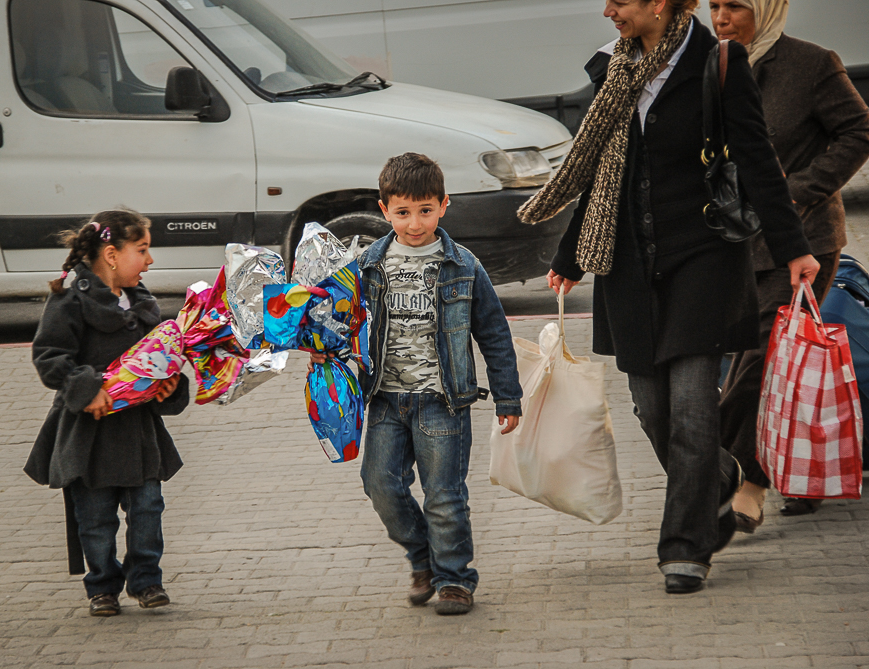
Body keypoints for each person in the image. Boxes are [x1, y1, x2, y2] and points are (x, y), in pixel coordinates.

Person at [518, 0, 820, 594]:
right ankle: (719, 477)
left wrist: (793, 248)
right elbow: (605, 172)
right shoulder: (612, 69)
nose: (608, 11)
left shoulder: (718, 63)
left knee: (690, 410)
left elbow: (757, 162)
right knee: (652, 409)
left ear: (658, 3)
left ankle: (685, 549)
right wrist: (571, 255)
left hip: (702, 258)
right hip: (629, 264)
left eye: (621, 1)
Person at [312, 153, 523, 615]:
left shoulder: (463, 265)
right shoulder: (367, 265)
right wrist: (317, 340)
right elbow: (342, 326)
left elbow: (492, 333)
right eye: (403, 212)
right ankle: (421, 555)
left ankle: (455, 580)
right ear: (384, 209)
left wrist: (508, 394)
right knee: (379, 484)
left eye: (425, 210)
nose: (414, 223)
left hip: (442, 401)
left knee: (445, 495)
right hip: (384, 399)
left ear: (443, 205)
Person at [711, 0, 869, 527]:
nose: (721, 17)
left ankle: (745, 480)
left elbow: (858, 132)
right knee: (766, 366)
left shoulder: (811, 63)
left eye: (735, 6)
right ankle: (798, 475)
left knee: (763, 362)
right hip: (732, 246)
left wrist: (797, 190)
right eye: (714, 5)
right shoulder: (712, 67)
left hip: (803, 242)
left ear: (767, 8)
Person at [24, 208, 190, 617]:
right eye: (143, 249)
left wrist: (169, 385)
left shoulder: (143, 302)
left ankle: (147, 580)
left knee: (148, 507)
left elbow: (160, 360)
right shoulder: (69, 300)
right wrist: (87, 387)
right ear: (112, 254)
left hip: (137, 432)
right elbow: (49, 356)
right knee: (95, 519)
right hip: (88, 435)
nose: (150, 261)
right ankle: (101, 584)